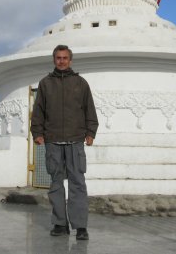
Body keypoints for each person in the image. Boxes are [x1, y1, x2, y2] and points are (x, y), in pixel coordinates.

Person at [31, 44, 99, 241]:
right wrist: (37, 133)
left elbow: (89, 110)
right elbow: (38, 112)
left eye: (65, 58)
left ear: (70, 60)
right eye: (58, 58)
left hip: (75, 141)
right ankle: (60, 224)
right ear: (54, 60)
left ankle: (80, 227)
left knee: (78, 183)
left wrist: (90, 132)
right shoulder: (45, 84)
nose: (61, 61)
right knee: (56, 184)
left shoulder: (80, 83)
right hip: (52, 141)